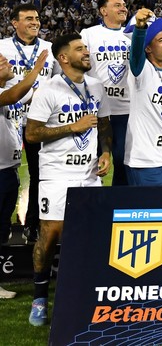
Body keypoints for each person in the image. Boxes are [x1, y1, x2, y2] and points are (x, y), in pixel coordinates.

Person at [24, 33, 111, 326]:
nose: (86, 52)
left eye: (85, 48)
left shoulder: (97, 87)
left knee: (92, 236)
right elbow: (32, 134)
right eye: (79, 49)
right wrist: (71, 127)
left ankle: (85, 295)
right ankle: (39, 298)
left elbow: (104, 122)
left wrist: (107, 152)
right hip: (57, 174)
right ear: (63, 58)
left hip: (88, 175)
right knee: (50, 236)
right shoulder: (48, 90)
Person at [0, 4, 55, 243]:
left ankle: (33, 224)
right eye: (29, 18)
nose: (35, 22)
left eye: (37, 18)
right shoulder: (1, 47)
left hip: (37, 120)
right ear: (15, 23)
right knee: (6, 169)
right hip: (8, 116)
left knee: (39, 172)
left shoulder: (49, 48)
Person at [0, 51, 47, 300]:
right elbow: (15, 94)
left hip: (9, 168)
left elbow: (30, 94)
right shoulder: (6, 92)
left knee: (3, 227)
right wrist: (38, 67)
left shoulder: (10, 86)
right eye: (1, 62)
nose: (7, 62)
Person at [125, 9, 162, 185]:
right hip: (144, 162)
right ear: (148, 48)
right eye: (161, 40)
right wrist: (140, 26)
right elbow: (136, 53)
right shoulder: (141, 71)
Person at [79, 0, 130, 186]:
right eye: (117, 5)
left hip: (125, 110)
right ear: (103, 11)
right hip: (97, 110)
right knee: (92, 162)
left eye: (124, 4)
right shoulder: (89, 34)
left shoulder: (132, 35)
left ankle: (119, 206)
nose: (123, 8)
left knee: (123, 162)